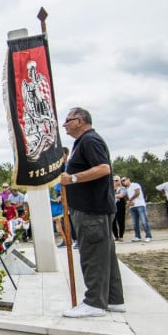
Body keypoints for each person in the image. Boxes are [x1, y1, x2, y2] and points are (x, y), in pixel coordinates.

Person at [60, 108, 125, 318]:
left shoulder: (89, 140)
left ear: (79, 121)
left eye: (68, 121)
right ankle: (114, 299)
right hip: (96, 209)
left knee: (93, 256)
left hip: (91, 211)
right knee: (106, 256)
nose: (65, 125)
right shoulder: (85, 141)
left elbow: (103, 169)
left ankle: (95, 303)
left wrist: (72, 179)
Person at [122, 177, 152, 242]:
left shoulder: (135, 185)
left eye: (124, 180)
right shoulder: (127, 189)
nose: (123, 182)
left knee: (144, 221)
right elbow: (126, 197)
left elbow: (137, 193)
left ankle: (148, 236)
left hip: (140, 205)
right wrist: (128, 202)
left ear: (128, 179)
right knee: (135, 223)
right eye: (122, 181)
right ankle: (137, 236)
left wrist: (130, 200)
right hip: (132, 207)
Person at [112, 176, 127, 241]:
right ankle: (116, 236)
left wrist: (111, 196)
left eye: (116, 180)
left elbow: (121, 195)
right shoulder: (110, 189)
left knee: (121, 221)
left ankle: (121, 236)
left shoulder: (122, 188)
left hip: (120, 206)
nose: (115, 181)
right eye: (113, 180)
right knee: (112, 222)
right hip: (112, 206)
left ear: (119, 181)